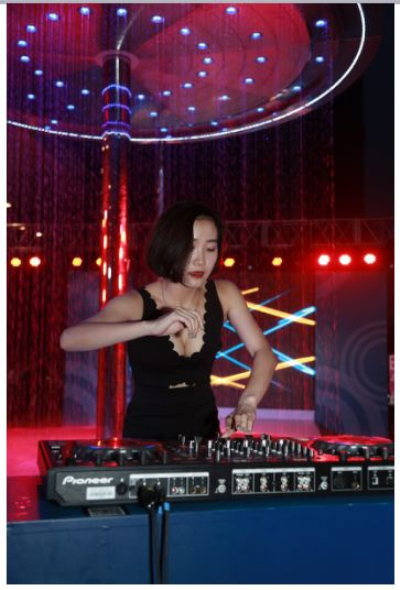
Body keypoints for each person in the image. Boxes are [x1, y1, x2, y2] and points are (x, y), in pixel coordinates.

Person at [60, 202, 277, 440]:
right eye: (190, 248)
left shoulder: (225, 294)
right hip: (146, 437)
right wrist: (150, 327)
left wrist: (248, 402)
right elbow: (70, 339)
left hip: (204, 433)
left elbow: (263, 352)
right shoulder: (136, 303)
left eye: (210, 249)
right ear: (169, 247)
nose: (200, 261)